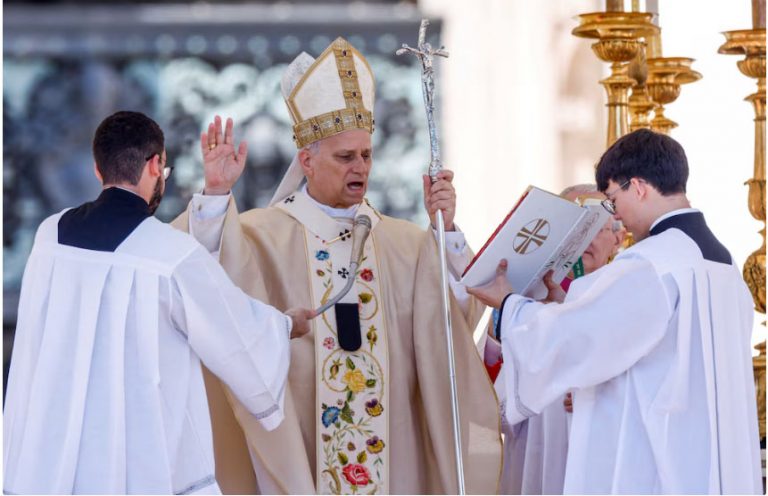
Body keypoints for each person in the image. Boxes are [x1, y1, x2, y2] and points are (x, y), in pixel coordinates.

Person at [173, 38, 502, 494]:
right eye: (345, 157)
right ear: (306, 161)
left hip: (395, 457)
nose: (360, 167)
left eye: (366, 155)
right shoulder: (260, 236)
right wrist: (214, 194)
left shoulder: (406, 243)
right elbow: (201, 282)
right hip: (303, 447)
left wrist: (445, 230)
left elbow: (453, 325)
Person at [3, 111, 314, 495]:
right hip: (137, 468)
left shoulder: (49, 237)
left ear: (98, 170)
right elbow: (235, 331)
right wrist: (285, 327)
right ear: (156, 164)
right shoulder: (171, 257)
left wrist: (215, 192)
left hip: (49, 463)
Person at [468, 129, 762, 494]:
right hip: (706, 464)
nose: (617, 215)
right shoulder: (723, 266)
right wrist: (567, 306)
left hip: (655, 465)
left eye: (612, 199)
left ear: (637, 187)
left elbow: (575, 339)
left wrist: (509, 303)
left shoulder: (652, 263)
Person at [481, 184, 625, 494]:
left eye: (594, 227)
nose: (583, 238)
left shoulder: (626, 300)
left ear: (619, 238)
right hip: (534, 458)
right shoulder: (523, 302)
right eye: (574, 226)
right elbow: (485, 403)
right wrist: (501, 319)